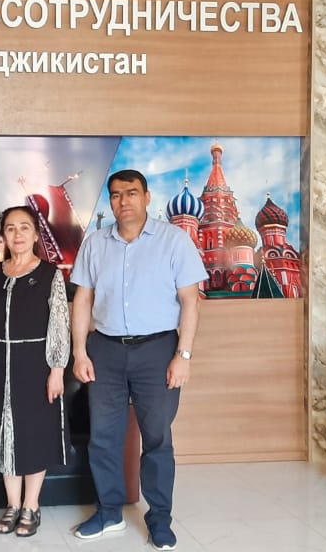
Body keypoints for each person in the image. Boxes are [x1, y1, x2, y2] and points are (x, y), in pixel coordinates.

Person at [69, 170, 206, 552]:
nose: (123, 201)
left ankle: (159, 519)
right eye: (115, 195)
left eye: (131, 193)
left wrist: (183, 356)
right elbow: (82, 300)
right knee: (103, 436)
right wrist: (80, 351)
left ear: (147, 197)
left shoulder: (173, 241)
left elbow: (190, 301)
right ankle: (109, 511)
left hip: (158, 351)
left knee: (157, 437)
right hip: (106, 350)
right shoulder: (96, 244)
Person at [0, 206, 70, 538]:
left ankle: (31, 505)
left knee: (33, 433)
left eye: (25, 227)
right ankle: (13, 505)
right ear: (3, 234)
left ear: (36, 234)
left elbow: (60, 324)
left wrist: (57, 369)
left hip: (36, 363)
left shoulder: (49, 274)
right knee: (4, 433)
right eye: (11, 228)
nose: (18, 234)